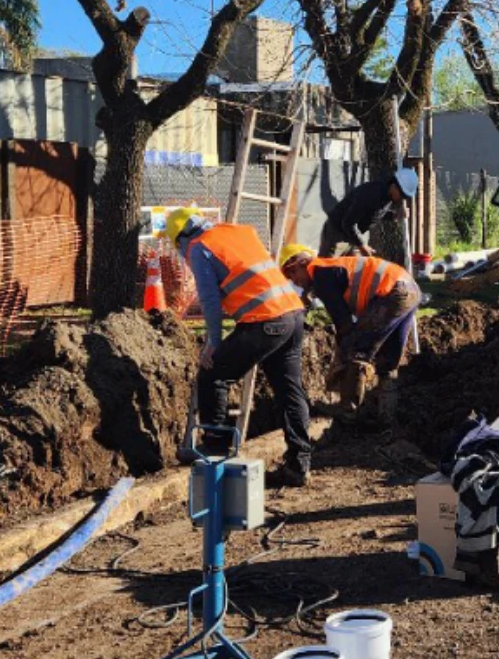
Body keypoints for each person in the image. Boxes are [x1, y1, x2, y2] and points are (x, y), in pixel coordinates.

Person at [166, 207, 312, 487]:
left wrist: (213, 344)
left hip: (266, 321)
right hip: (293, 314)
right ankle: (299, 465)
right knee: (289, 390)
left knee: (214, 374)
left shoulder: (199, 247)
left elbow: (210, 301)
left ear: (181, 239)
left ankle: (215, 449)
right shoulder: (235, 232)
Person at [279, 243, 421, 422]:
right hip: (410, 289)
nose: (293, 280)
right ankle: (387, 416)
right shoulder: (330, 269)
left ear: (303, 262)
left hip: (393, 291)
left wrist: (341, 354)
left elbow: (344, 324)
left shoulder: (321, 275)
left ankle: (348, 411)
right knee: (389, 357)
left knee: (355, 347)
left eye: (291, 273)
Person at [319, 167, 418, 258]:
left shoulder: (387, 196)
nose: (401, 199)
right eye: (402, 195)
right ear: (394, 186)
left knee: (349, 270)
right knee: (327, 268)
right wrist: (362, 246)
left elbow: (374, 214)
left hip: (351, 235)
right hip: (336, 231)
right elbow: (348, 223)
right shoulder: (371, 194)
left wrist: (395, 215)